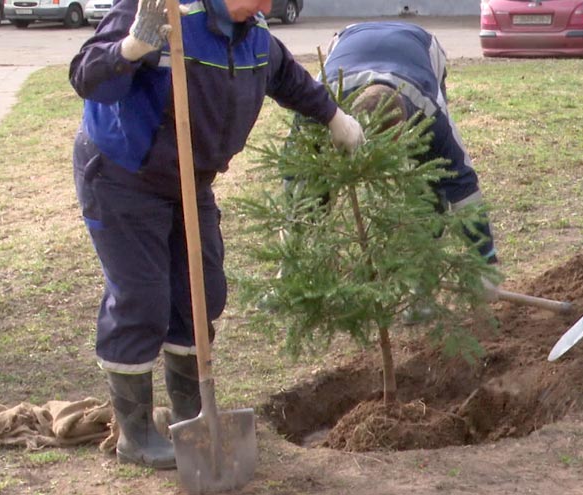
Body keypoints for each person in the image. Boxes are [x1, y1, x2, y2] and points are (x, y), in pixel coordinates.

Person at [68, 0, 363, 469]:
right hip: (124, 175)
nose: (267, 5)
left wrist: (333, 117)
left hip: (191, 179)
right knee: (142, 299)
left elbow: (285, 77)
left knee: (201, 292)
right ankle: (136, 435)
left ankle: (191, 415)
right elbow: (86, 76)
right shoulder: (161, 10)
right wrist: (132, 48)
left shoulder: (254, 31)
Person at [319, 21, 498, 273]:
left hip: (419, 45)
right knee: (318, 171)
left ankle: (425, 262)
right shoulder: (321, 100)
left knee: (430, 173)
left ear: (405, 129)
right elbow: (297, 171)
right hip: (349, 38)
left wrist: (485, 260)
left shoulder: (430, 113)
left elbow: (462, 183)